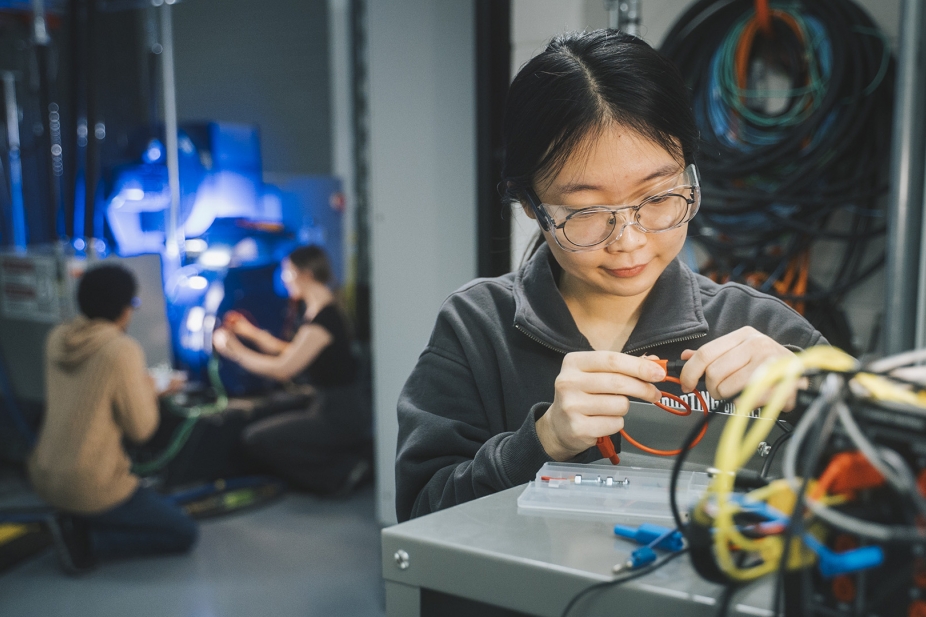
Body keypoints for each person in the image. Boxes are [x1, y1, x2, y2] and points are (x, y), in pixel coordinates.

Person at [395, 30, 825, 523]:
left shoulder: (759, 327)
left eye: (658, 197)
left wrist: (813, 392)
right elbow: (421, 515)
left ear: (690, 175)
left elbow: (880, 484)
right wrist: (542, 441)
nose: (628, 240)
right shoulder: (478, 329)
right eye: (586, 212)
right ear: (531, 205)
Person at [28, 264, 196, 574]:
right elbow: (141, 429)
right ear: (123, 308)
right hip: (89, 483)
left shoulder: (57, 338)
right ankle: (86, 542)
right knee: (183, 532)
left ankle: (75, 522)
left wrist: (136, 384)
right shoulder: (121, 349)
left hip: (44, 474)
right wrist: (150, 389)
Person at [212, 245, 371, 496]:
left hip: (340, 414)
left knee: (257, 439)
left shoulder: (324, 319)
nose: (284, 279)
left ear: (305, 274)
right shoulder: (320, 311)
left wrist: (233, 350)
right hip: (330, 406)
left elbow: (283, 369)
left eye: (288, 272)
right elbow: (292, 351)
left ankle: (343, 473)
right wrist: (250, 333)